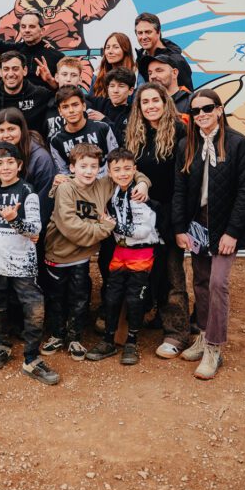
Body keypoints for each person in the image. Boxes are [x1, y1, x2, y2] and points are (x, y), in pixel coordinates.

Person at [173, 88, 245, 380]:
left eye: (207, 108)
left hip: (225, 226)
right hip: (198, 224)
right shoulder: (187, 145)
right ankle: (203, 334)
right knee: (200, 280)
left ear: (219, 110)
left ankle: (214, 347)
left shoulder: (238, 143)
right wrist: (179, 227)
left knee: (217, 283)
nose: (201, 115)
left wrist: (232, 233)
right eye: (195, 111)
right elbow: (180, 190)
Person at [0, 142, 59, 385]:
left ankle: (32, 358)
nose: (5, 167)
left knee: (33, 306)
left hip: (22, 263)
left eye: (10, 162)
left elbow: (35, 229)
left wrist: (15, 219)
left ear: (19, 165)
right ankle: (1, 346)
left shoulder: (28, 192)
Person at [126, 83, 190, 357]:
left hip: (171, 212)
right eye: (145, 102)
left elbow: (184, 179)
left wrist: (177, 221)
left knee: (173, 274)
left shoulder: (180, 131)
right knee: (146, 271)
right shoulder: (133, 134)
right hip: (143, 215)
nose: (151, 106)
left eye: (155, 100)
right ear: (138, 107)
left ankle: (177, 333)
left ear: (166, 103)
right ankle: (152, 318)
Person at [86, 148, 161, 366]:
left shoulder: (139, 195)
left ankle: (131, 342)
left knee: (135, 297)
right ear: (109, 173)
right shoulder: (114, 191)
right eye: (117, 170)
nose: (123, 173)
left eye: (127, 169)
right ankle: (108, 339)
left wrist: (112, 225)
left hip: (142, 251)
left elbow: (143, 231)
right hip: (120, 250)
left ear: (135, 170)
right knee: (112, 295)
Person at [43, 144, 118, 360]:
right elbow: (70, 227)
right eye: (83, 166)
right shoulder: (65, 188)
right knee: (57, 297)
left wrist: (142, 183)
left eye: (93, 166)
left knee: (79, 296)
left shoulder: (102, 185)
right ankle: (57, 335)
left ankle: (75, 337)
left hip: (82, 256)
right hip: (58, 254)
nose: (88, 171)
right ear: (72, 167)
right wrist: (104, 228)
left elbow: (128, 172)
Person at [0, 108, 55, 224]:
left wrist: (33, 229)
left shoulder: (40, 159)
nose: (6, 135)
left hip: (31, 224)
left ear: (22, 129)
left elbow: (45, 202)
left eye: (11, 129)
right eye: (1, 130)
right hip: (5, 225)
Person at [0, 51, 53, 135]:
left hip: (32, 142)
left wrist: (51, 80)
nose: (10, 74)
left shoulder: (40, 94)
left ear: (25, 70)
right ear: (0, 72)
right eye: (6, 69)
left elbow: (62, 98)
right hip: (1, 143)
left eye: (15, 69)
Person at [49, 86, 118, 175]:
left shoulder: (102, 128)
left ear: (84, 106)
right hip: (76, 183)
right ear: (60, 111)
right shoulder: (56, 140)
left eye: (75, 105)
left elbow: (116, 159)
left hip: (105, 180)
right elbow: (63, 173)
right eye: (65, 107)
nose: (71, 110)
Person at [134, 12, 193, 91]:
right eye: (140, 33)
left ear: (158, 32)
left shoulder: (176, 60)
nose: (144, 37)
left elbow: (187, 94)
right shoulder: (140, 58)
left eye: (148, 32)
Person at [87, 66, 136, 146]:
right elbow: (77, 96)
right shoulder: (100, 103)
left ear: (130, 90)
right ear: (108, 88)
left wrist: (104, 120)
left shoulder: (134, 113)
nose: (115, 91)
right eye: (112, 86)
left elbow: (123, 141)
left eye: (121, 86)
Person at [15, 13, 65, 89]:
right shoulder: (13, 54)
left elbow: (65, 90)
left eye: (32, 26)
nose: (27, 30)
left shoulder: (57, 57)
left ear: (42, 30)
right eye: (23, 27)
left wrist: (50, 79)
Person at [44, 56, 85, 140]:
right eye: (64, 74)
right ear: (56, 77)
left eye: (74, 75)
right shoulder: (45, 104)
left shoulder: (89, 104)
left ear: (80, 79)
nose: (68, 79)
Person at [90, 32, 139, 100]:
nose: (110, 51)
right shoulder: (98, 75)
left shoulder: (136, 76)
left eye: (116, 47)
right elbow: (90, 102)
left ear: (125, 50)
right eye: (107, 47)